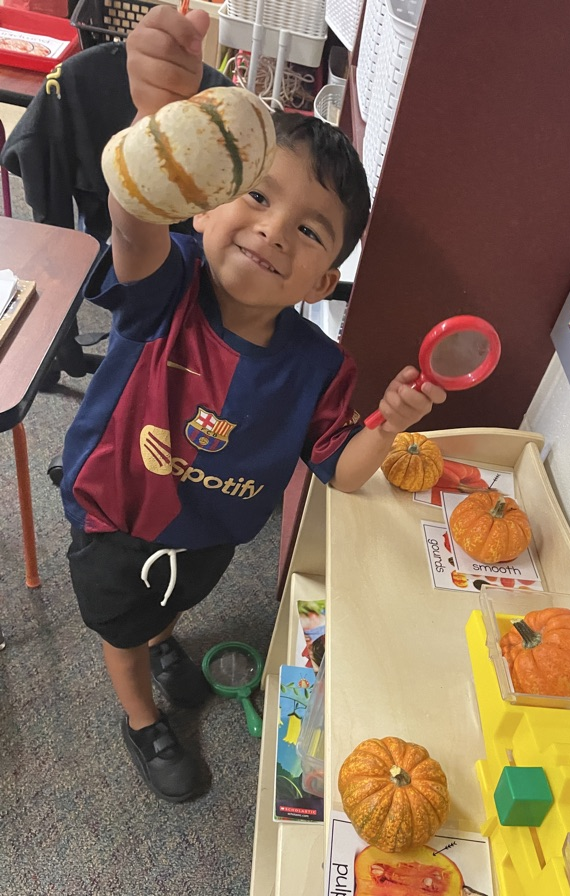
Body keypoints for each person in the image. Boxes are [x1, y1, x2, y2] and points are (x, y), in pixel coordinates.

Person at [60, 5, 446, 803]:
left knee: (167, 609)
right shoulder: (167, 292)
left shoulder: (320, 367)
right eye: (259, 198)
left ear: (322, 282)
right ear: (204, 207)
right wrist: (152, 124)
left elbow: (341, 469)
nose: (274, 232)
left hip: (207, 537)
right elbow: (134, 226)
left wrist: (390, 422)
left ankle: (167, 639)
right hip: (117, 520)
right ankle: (138, 718)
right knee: (120, 631)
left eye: (311, 231)